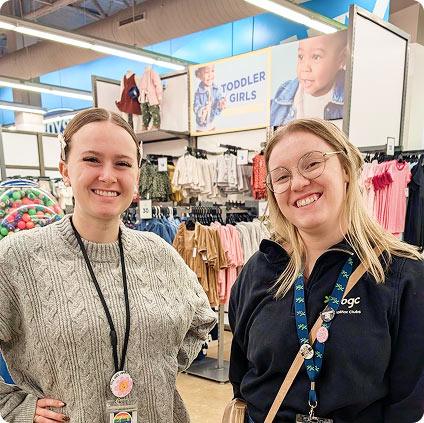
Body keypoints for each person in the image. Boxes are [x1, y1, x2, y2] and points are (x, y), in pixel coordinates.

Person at [0, 108, 216, 422]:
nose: (108, 175)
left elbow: (201, 320)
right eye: (91, 160)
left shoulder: (159, 253)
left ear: (137, 176)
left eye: (122, 163)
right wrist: (17, 407)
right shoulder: (17, 258)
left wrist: (158, 367)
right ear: (65, 169)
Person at [229, 118, 424, 422]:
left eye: (311, 164)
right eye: (281, 177)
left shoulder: (402, 275)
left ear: (346, 169)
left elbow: (407, 402)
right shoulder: (260, 269)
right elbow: (242, 375)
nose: (297, 183)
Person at [270, 31, 347, 126]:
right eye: (301, 56)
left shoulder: (350, 98)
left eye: (316, 57)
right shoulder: (282, 95)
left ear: (342, 59)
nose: (305, 68)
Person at [193, 64, 226, 131]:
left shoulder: (215, 90)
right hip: (201, 129)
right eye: (206, 72)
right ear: (200, 76)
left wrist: (221, 103)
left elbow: (219, 99)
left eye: (212, 71)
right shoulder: (198, 92)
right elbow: (196, 107)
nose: (210, 75)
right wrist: (202, 110)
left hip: (212, 125)